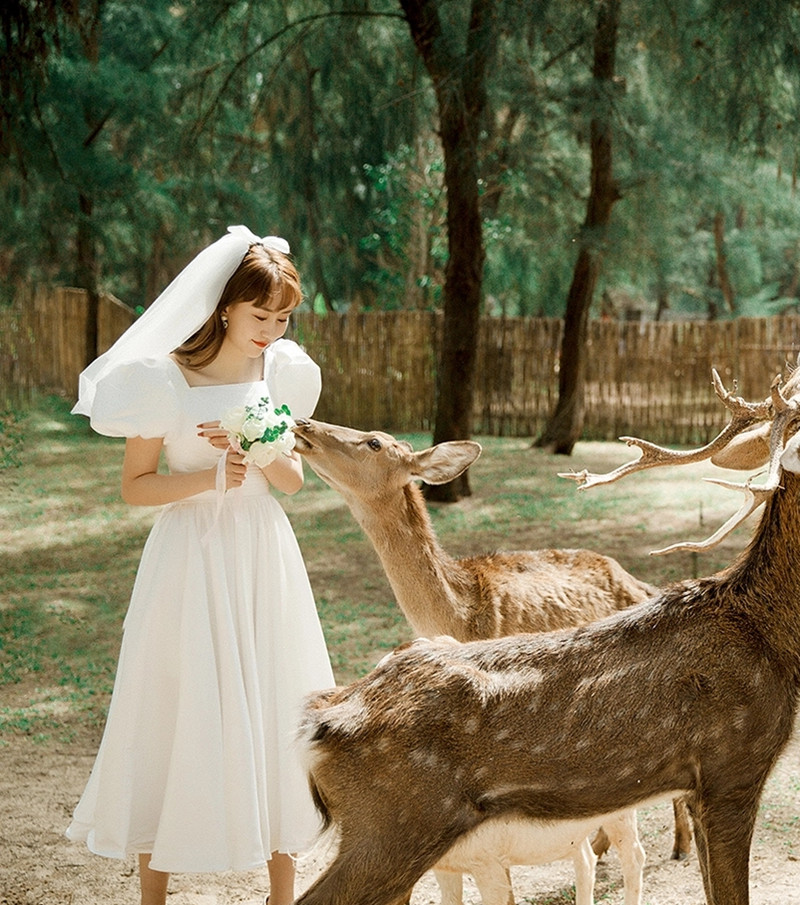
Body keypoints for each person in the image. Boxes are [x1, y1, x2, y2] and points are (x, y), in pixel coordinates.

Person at [66, 225, 335, 905]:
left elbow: (294, 482)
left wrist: (258, 445)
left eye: (282, 318)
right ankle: (153, 894)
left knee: (275, 700)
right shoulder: (162, 379)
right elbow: (135, 487)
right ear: (224, 307)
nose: (271, 331)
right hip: (190, 558)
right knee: (173, 706)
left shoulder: (279, 372)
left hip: (262, 555)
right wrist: (209, 477)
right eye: (260, 316)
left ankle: (282, 893)